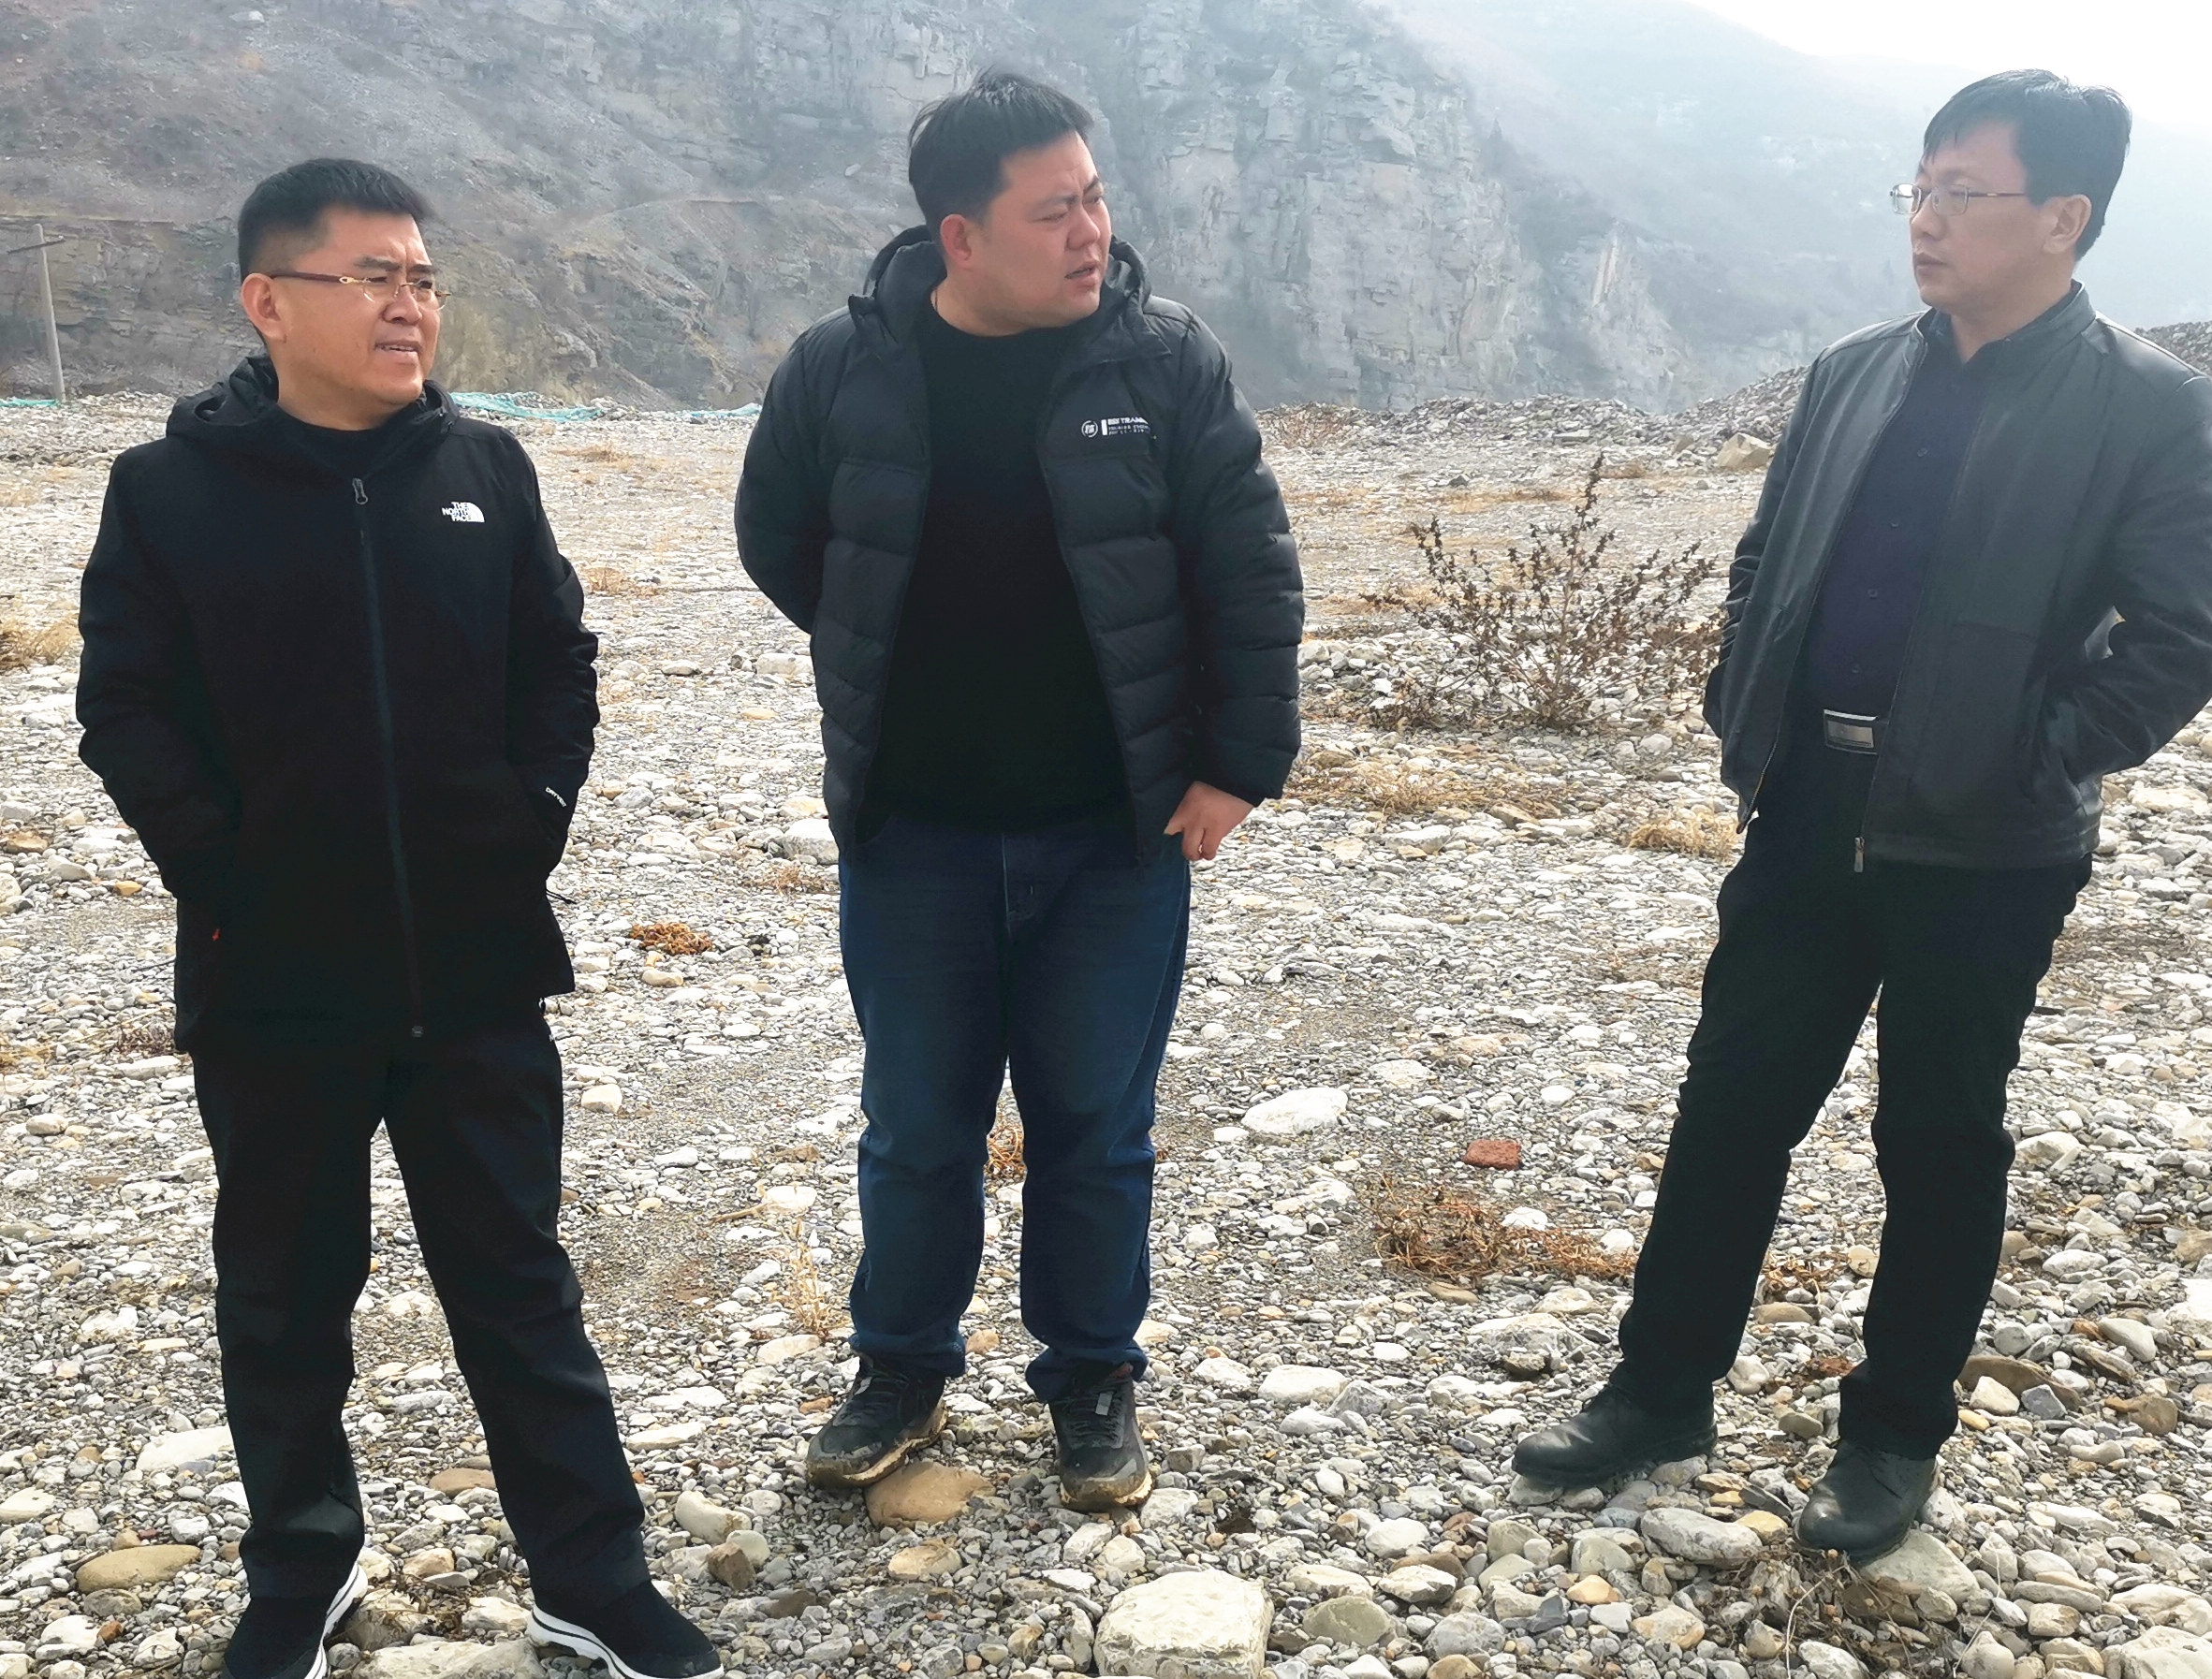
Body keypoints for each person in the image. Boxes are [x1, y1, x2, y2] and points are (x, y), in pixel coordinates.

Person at [1514, 70, 2212, 1561]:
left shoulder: (2152, 409)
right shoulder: (1852, 373)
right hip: (1809, 803)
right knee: (1732, 1103)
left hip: (1986, 841)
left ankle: (1894, 1436)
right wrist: (1744, 696)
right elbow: (1766, 557)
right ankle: (1658, 1391)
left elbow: (2180, 634)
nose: (1927, 219)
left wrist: (2037, 758)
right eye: (1920, 186)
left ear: (2064, 216)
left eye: (1965, 192)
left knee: (1940, 1134)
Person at [76, 159, 720, 1679]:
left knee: (518, 1282)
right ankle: (301, 1565)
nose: (408, 304)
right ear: (268, 300)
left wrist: (531, 818)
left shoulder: (484, 469)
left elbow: (556, 661)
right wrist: (225, 871)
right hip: (272, 976)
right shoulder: (167, 492)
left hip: (476, 966)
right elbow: (124, 708)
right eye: (371, 275)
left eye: (422, 277)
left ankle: (591, 1572)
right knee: (284, 1293)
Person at [737, 69, 1303, 1510]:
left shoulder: (1163, 364)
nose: (1092, 231)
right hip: (912, 833)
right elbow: (777, 534)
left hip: (1115, 834)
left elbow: (1249, 566)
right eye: (1054, 211)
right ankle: (900, 1369)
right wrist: (880, 647)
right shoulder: (843, 367)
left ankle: (1093, 1377)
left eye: (1095, 198)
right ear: (961, 236)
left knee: (1094, 1127)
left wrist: (1236, 765)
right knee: (916, 1124)